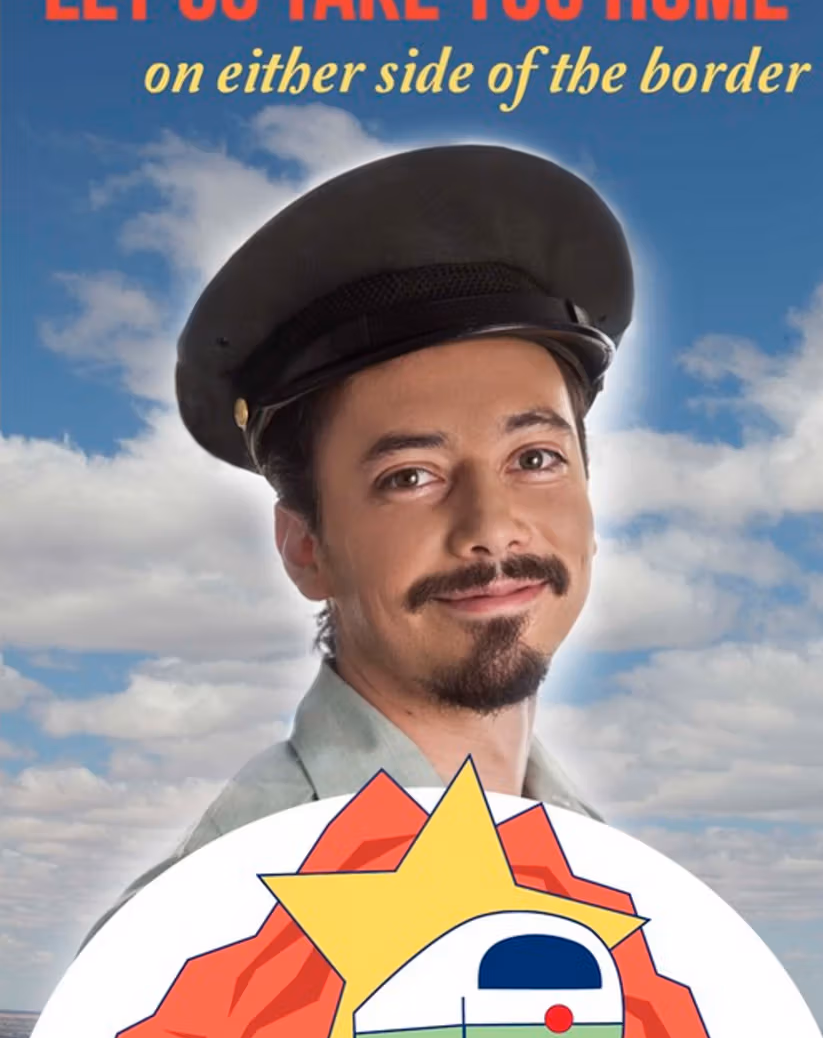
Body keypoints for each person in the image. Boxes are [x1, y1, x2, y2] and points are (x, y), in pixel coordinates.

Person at [85, 142, 633, 940]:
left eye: (536, 458)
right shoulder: (189, 936)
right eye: (411, 475)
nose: (490, 528)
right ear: (307, 547)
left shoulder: (612, 876)